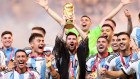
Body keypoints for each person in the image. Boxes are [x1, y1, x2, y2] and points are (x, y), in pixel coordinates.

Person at [36, 0, 132, 56]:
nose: (84, 21)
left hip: (90, 61)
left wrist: (121, 4)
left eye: (86, 20)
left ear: (91, 23)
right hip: (75, 61)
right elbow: (61, 21)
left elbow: (107, 18)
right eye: (82, 20)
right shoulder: (73, 30)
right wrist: (47, 8)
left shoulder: (95, 32)